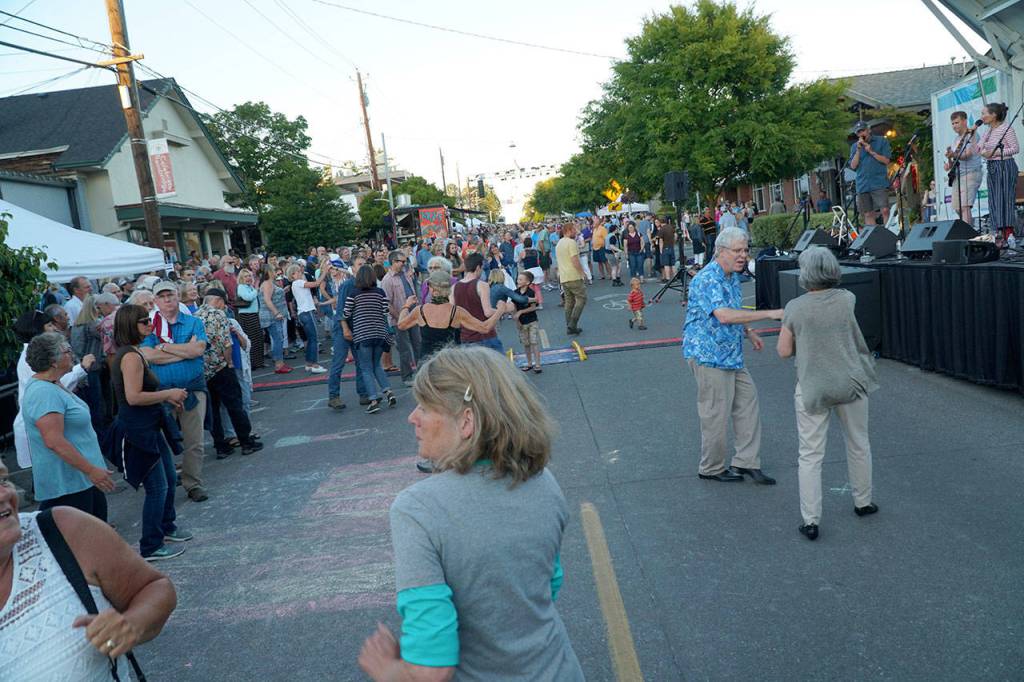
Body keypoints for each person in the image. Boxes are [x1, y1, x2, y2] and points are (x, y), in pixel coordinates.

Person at [358, 346, 583, 681]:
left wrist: (386, 669)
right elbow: (548, 586)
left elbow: (431, 671)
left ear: (466, 422)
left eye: (425, 407)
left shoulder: (418, 509)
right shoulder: (543, 481)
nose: (412, 417)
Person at [0, 463, 178, 678]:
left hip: (77, 481)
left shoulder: (63, 530)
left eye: (3, 480)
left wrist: (132, 624)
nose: (4, 494)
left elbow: (155, 587)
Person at [776, 247, 879, 541]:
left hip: (814, 385)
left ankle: (811, 520)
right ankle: (863, 501)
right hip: (850, 381)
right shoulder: (847, 299)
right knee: (858, 443)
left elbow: (783, 351)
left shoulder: (795, 307)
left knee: (810, 454)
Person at [683, 227, 782, 484]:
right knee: (715, 413)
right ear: (721, 251)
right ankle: (711, 468)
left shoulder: (732, 277)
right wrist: (769, 314)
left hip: (731, 354)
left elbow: (734, 309)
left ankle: (745, 462)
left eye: (745, 250)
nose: (743, 255)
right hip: (709, 355)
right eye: (737, 250)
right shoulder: (708, 278)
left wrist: (749, 331)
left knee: (748, 404)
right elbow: (724, 315)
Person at [110, 305, 192, 560]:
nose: (150, 324)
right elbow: (133, 397)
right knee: (157, 486)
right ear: (130, 325)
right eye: (144, 321)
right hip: (139, 429)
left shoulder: (133, 352)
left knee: (168, 478)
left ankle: (166, 527)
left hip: (148, 425)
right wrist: (168, 394)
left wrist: (166, 398)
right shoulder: (130, 356)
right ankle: (151, 545)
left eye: (149, 320)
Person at [20, 332, 115, 520]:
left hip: (81, 480)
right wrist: (91, 470)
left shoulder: (53, 384)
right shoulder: (43, 393)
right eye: (67, 350)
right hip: (69, 484)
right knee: (84, 535)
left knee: (97, 530)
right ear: (53, 361)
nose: (72, 354)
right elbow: (54, 441)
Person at [140, 281, 210, 503]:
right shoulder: (149, 326)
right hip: (161, 392)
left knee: (195, 441)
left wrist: (165, 347)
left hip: (192, 388)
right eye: (162, 296)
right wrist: (184, 351)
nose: (167, 299)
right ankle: (165, 483)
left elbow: (198, 350)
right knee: (160, 441)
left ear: (178, 296)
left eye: (170, 295)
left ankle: (193, 483)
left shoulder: (194, 322)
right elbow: (148, 355)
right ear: (156, 301)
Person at [195, 290, 264, 459]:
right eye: (223, 303)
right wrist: (229, 362)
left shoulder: (194, 316)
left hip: (203, 369)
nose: (224, 307)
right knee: (235, 405)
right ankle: (246, 441)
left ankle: (220, 445)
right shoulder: (219, 315)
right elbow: (226, 343)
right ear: (218, 301)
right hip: (221, 366)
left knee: (213, 410)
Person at [342, 265, 397, 415]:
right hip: (379, 333)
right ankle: (388, 391)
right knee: (376, 365)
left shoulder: (353, 294)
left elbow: (346, 313)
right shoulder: (380, 292)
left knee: (366, 368)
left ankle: (373, 400)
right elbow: (385, 311)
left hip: (363, 334)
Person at [327, 255, 369, 409]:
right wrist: (345, 329)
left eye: (365, 264)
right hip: (343, 327)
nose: (363, 266)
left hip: (358, 328)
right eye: (360, 264)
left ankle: (363, 394)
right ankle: (333, 396)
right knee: (338, 363)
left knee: (361, 362)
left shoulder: (367, 284)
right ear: (353, 268)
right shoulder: (348, 285)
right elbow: (340, 310)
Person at [979, 101, 1020, 245]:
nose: (982, 116)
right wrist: (984, 152)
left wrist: (994, 152)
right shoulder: (988, 131)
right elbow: (979, 148)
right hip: (992, 166)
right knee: (994, 200)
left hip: (1005, 165)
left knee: (1005, 199)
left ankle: (1009, 233)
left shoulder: (1006, 129)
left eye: (984, 113)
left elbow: (1015, 148)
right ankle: (998, 233)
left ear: (994, 115)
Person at [381, 250, 422, 387]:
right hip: (399, 319)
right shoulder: (387, 280)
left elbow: (413, 292)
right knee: (404, 350)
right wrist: (400, 318)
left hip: (413, 316)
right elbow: (387, 303)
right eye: (402, 261)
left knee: (418, 345)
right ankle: (407, 377)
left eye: (405, 261)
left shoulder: (405, 274)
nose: (404, 264)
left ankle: (421, 374)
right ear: (393, 262)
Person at [70, 294, 106, 435]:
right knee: (96, 405)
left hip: (81, 368)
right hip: (91, 368)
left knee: (90, 404)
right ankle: (100, 436)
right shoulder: (94, 325)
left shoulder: (77, 325)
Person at [453, 253, 504, 352]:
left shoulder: (454, 287)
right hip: (485, 336)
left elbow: (454, 315)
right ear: (478, 267)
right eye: (482, 268)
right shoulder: (482, 285)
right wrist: (502, 310)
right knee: (499, 361)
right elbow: (488, 312)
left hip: (466, 337)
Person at [848, 120, 892, 226]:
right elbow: (853, 166)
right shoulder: (854, 147)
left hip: (879, 182)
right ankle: (874, 235)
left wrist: (871, 152)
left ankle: (888, 233)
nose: (861, 134)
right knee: (868, 214)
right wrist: (858, 150)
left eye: (862, 130)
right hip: (863, 183)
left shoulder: (881, 141)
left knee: (885, 210)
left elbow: (886, 160)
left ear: (868, 130)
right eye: (858, 132)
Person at [287, 262, 329, 374]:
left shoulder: (295, 284)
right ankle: (314, 364)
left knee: (311, 339)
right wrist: (324, 272)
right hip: (307, 312)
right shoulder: (298, 282)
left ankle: (309, 363)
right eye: (297, 271)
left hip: (303, 313)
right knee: (314, 339)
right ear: (292, 274)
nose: (300, 272)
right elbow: (316, 283)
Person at [944, 111, 983, 225]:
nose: (954, 126)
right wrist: (949, 161)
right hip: (958, 175)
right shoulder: (956, 139)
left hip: (971, 173)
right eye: (952, 123)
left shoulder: (972, 135)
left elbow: (967, 155)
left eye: (957, 122)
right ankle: (969, 227)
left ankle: (968, 233)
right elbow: (955, 160)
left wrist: (953, 155)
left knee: (965, 206)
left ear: (965, 121)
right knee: (957, 207)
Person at [555, 222, 587, 335]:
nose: (576, 232)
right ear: (568, 230)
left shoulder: (559, 243)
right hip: (573, 276)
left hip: (564, 276)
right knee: (582, 299)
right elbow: (574, 260)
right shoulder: (571, 242)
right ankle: (572, 324)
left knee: (569, 301)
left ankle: (569, 325)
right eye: (574, 230)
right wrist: (582, 273)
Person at [259, 263, 291, 374]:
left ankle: (280, 362)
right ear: (268, 272)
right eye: (273, 270)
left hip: (272, 315)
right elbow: (267, 300)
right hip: (271, 316)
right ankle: (278, 364)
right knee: (278, 339)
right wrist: (276, 313)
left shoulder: (269, 283)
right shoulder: (267, 283)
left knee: (278, 338)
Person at [512, 271, 542, 373]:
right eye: (518, 279)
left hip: (532, 321)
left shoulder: (530, 293)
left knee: (534, 342)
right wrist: (517, 321)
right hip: (522, 322)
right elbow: (514, 308)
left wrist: (521, 311)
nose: (518, 281)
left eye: (521, 279)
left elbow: (533, 307)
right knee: (526, 344)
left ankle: (537, 364)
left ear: (528, 282)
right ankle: (529, 363)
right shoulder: (515, 293)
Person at [235, 268, 264, 370]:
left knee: (258, 338)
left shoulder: (250, 287)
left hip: (254, 314)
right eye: (246, 276)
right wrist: (256, 289)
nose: (248, 278)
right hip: (246, 315)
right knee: (251, 339)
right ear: (241, 278)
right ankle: (252, 363)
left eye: (249, 276)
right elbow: (248, 298)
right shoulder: (241, 287)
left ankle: (258, 362)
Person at [658, 217, 677, 282]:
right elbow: (675, 235)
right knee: (673, 263)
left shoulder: (662, 229)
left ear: (661, 222)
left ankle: (668, 278)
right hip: (671, 247)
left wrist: (661, 250)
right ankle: (674, 277)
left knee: (666, 264)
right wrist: (673, 242)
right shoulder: (671, 227)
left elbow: (661, 241)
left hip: (665, 248)